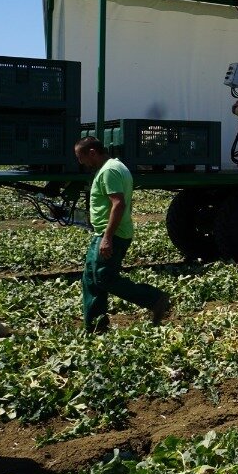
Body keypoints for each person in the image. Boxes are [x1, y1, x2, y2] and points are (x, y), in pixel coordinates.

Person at [74, 137, 171, 334]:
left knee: (103, 277)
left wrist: (107, 237)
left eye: (81, 157)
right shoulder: (113, 167)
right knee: (91, 279)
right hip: (106, 232)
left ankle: (154, 299)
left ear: (92, 152)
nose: (81, 162)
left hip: (112, 233)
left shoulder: (109, 170)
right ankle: (95, 327)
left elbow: (118, 204)